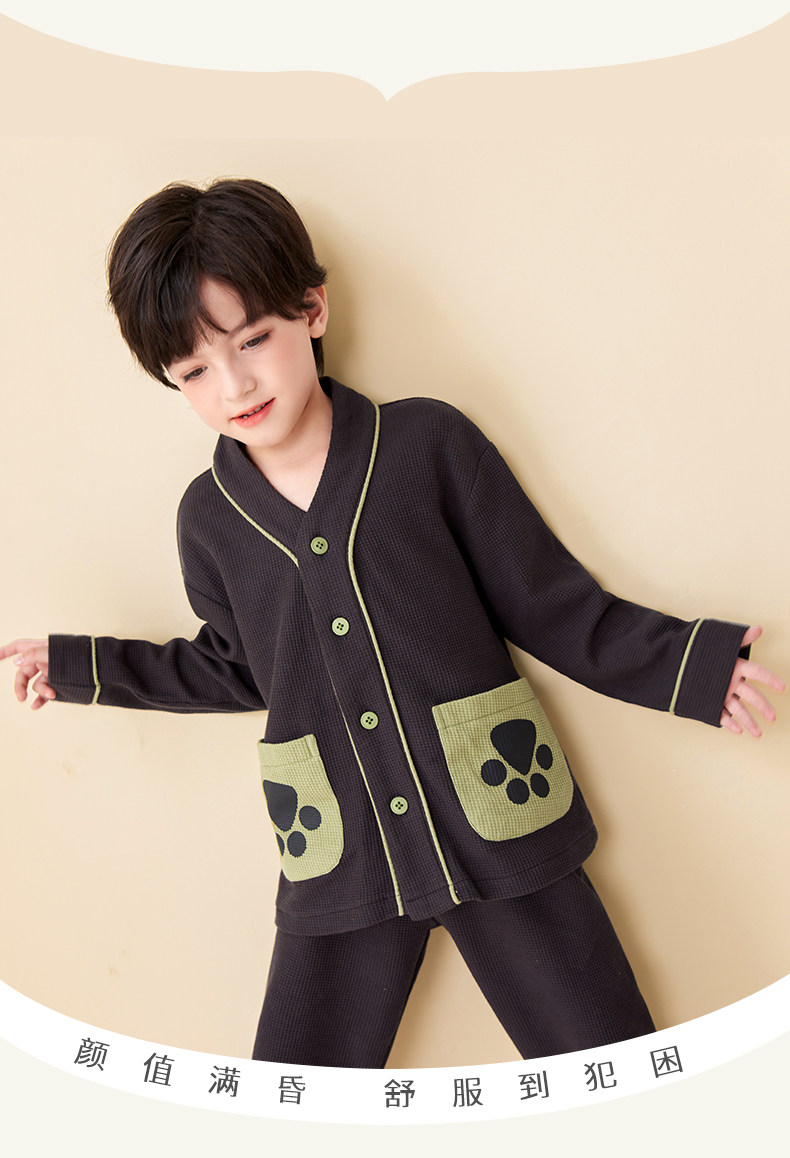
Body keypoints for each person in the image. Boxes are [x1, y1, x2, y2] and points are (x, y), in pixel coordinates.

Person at [1, 178, 783, 1069]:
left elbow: (548, 602)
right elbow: (234, 667)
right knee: (289, 1099)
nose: (235, 384)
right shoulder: (209, 520)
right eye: (195, 371)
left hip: (498, 818)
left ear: (312, 309)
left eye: (253, 340)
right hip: (341, 859)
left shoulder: (427, 447)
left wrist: (691, 667)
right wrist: (85, 668)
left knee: (611, 1071)